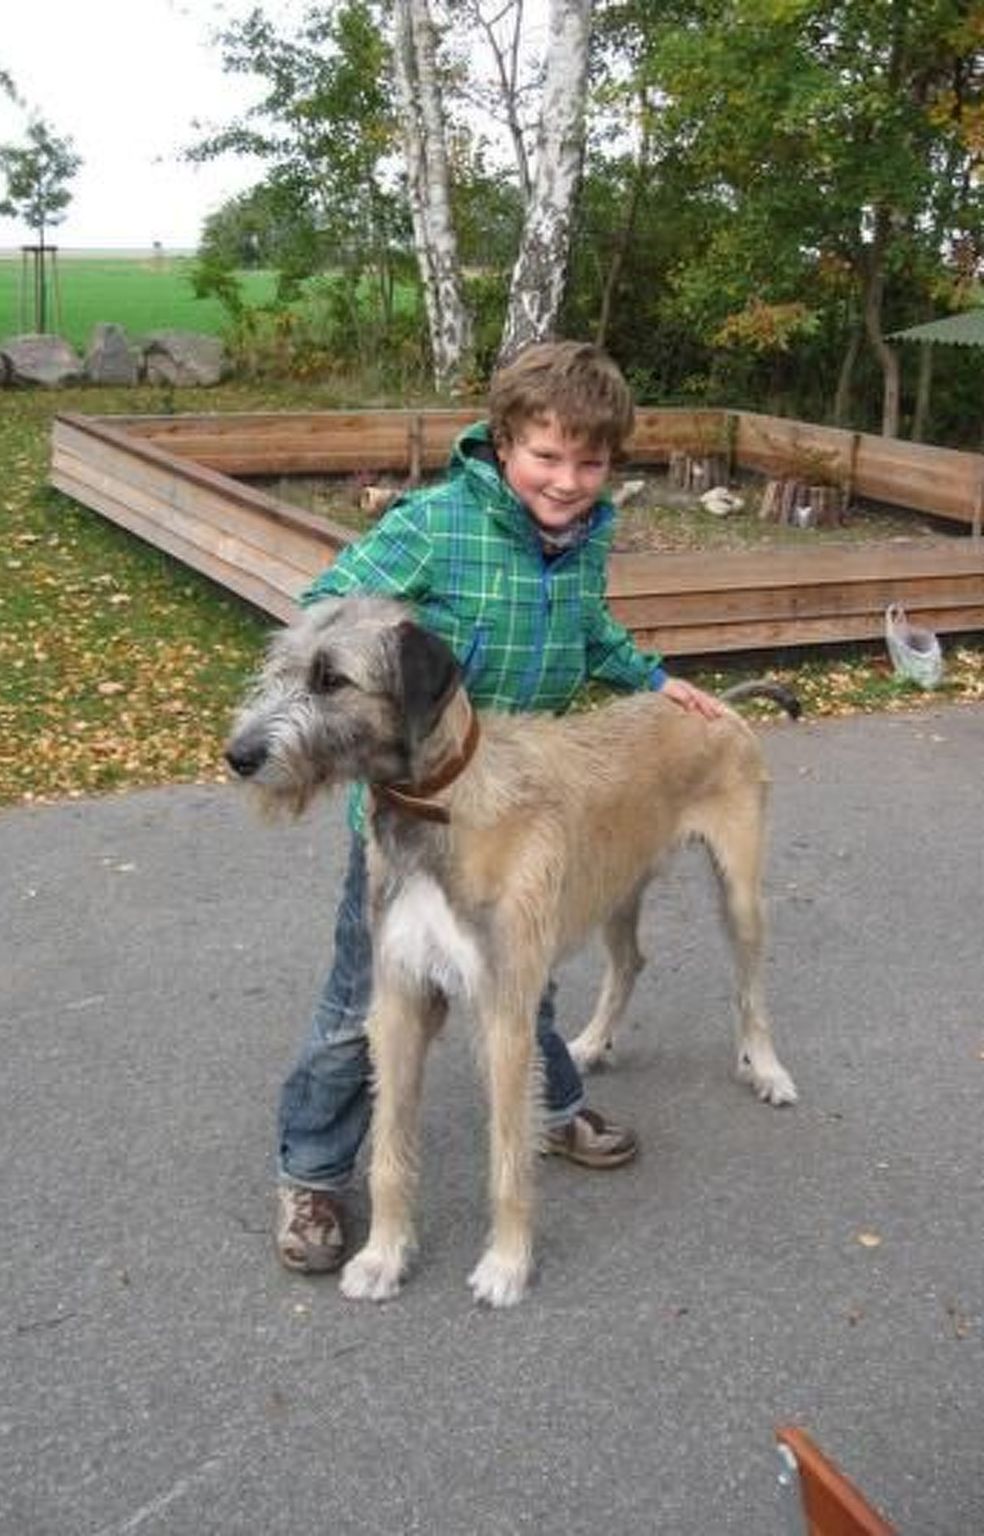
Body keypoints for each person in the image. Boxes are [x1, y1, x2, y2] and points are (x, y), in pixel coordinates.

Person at [275, 339, 724, 1274]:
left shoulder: (585, 536)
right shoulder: (438, 525)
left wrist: (652, 677)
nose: (568, 481)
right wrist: (402, 671)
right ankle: (315, 1171)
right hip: (413, 822)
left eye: (591, 463)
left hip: (522, 813)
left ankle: (551, 1111)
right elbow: (324, 610)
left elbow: (591, 629)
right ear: (503, 441)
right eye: (547, 456)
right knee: (357, 1007)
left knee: (529, 986)